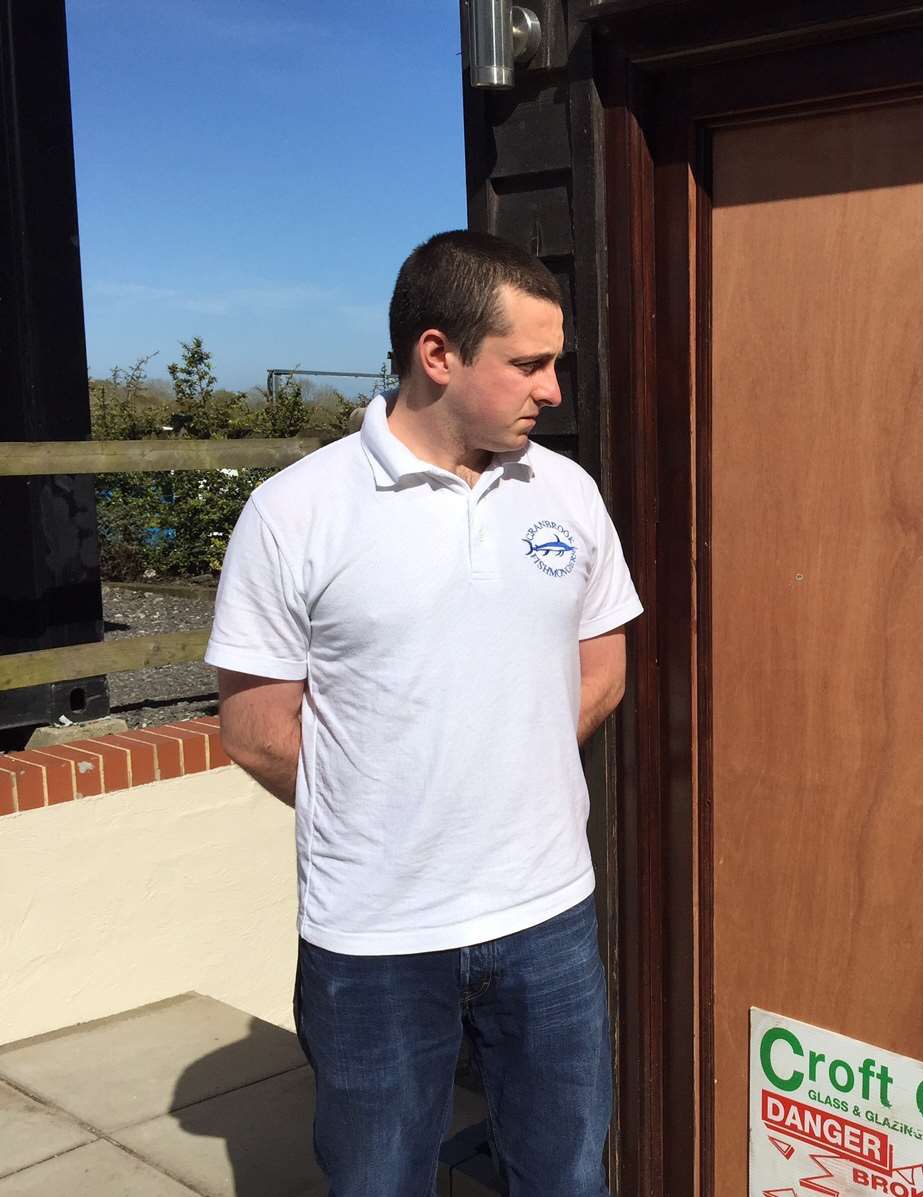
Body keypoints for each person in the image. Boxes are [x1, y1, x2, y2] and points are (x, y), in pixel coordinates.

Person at [206, 230, 641, 1196]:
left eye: (555, 362)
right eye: (529, 363)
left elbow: (602, 666)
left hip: (548, 916)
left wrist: (503, 767)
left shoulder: (565, 491)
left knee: (569, 1177)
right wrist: (390, 807)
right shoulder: (296, 511)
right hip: (375, 938)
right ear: (436, 355)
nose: (554, 390)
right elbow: (256, 728)